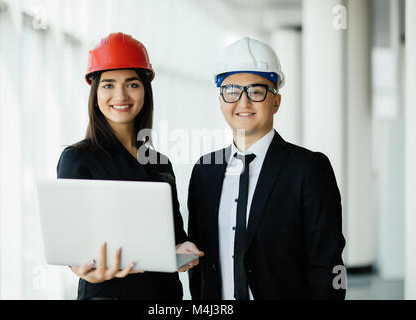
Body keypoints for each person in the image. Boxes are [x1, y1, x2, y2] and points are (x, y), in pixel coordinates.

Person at [187, 37, 346, 300]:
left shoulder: (308, 170)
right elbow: (201, 267)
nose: (243, 102)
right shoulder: (205, 170)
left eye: (257, 91)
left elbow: (326, 266)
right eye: (231, 90)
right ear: (220, 101)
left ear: (276, 102)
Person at [57, 32, 204, 300]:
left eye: (132, 84)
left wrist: (185, 249)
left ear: (145, 90)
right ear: (96, 92)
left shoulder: (160, 163)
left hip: (164, 297)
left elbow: (174, 236)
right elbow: (70, 243)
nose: (120, 95)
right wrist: (82, 268)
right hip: (108, 294)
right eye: (109, 85)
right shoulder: (78, 159)